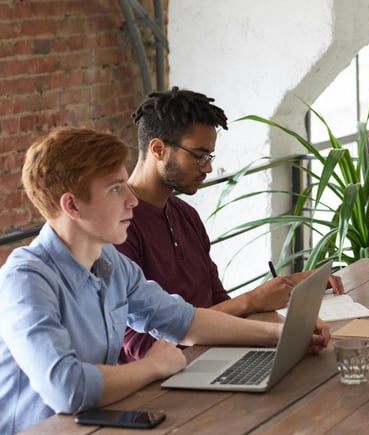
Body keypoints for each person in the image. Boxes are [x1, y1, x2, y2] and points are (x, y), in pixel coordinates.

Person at [0, 127, 330, 433]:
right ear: (71, 205)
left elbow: (184, 320)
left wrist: (284, 335)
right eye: (116, 189)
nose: (131, 200)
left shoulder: (110, 262)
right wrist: (153, 366)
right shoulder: (25, 280)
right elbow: (66, 389)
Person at [118, 87, 343, 362]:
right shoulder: (119, 227)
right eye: (199, 156)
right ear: (158, 149)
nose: (207, 168)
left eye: (209, 157)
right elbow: (140, 348)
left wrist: (287, 321)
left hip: (214, 359)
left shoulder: (185, 215)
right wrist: (253, 301)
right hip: (162, 385)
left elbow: (218, 303)